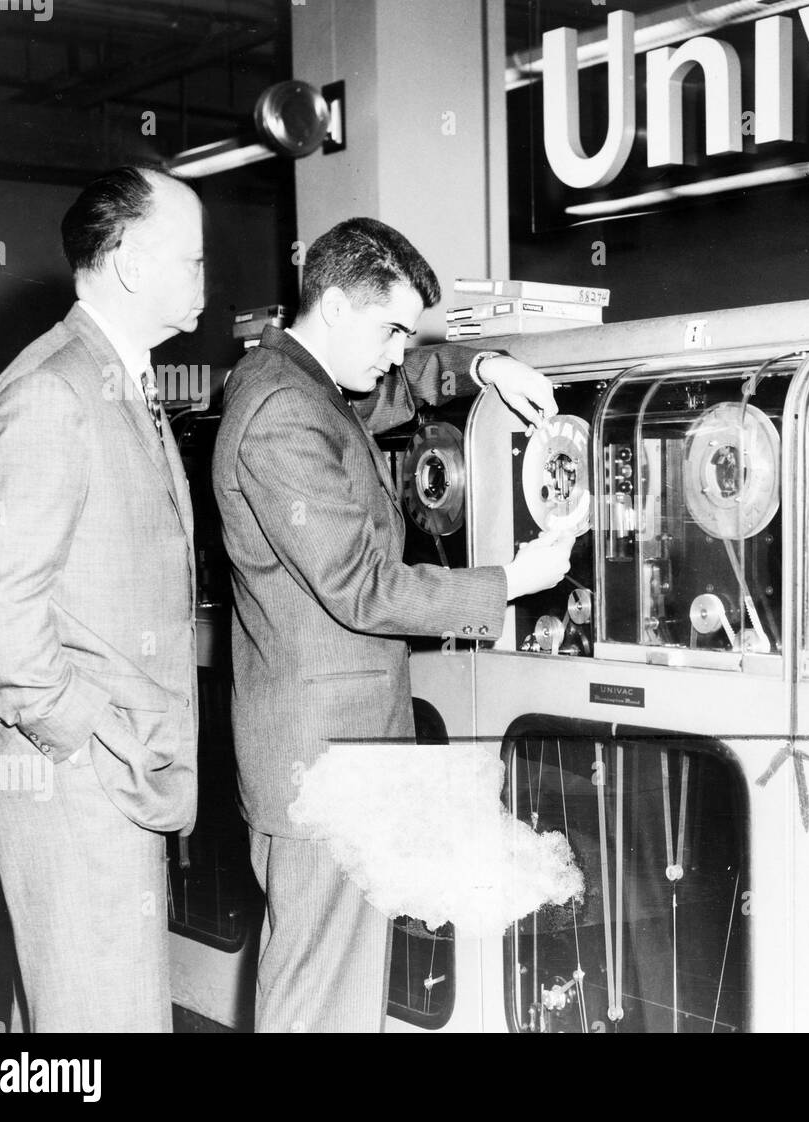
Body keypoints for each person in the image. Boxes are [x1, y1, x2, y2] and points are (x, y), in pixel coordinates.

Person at [212, 217, 572, 1033]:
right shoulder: (282, 412)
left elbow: (404, 388)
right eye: (392, 329)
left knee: (340, 996)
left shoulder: (302, 386)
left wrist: (484, 364)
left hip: (340, 757)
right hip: (320, 765)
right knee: (314, 1003)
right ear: (336, 306)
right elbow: (362, 587)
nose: (399, 350)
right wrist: (512, 581)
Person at [0, 165, 205, 1032]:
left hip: (107, 774)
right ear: (131, 264)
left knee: (71, 1020)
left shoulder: (117, 381)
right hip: (77, 780)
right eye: (194, 260)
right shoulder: (53, 392)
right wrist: (92, 737)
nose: (207, 279)